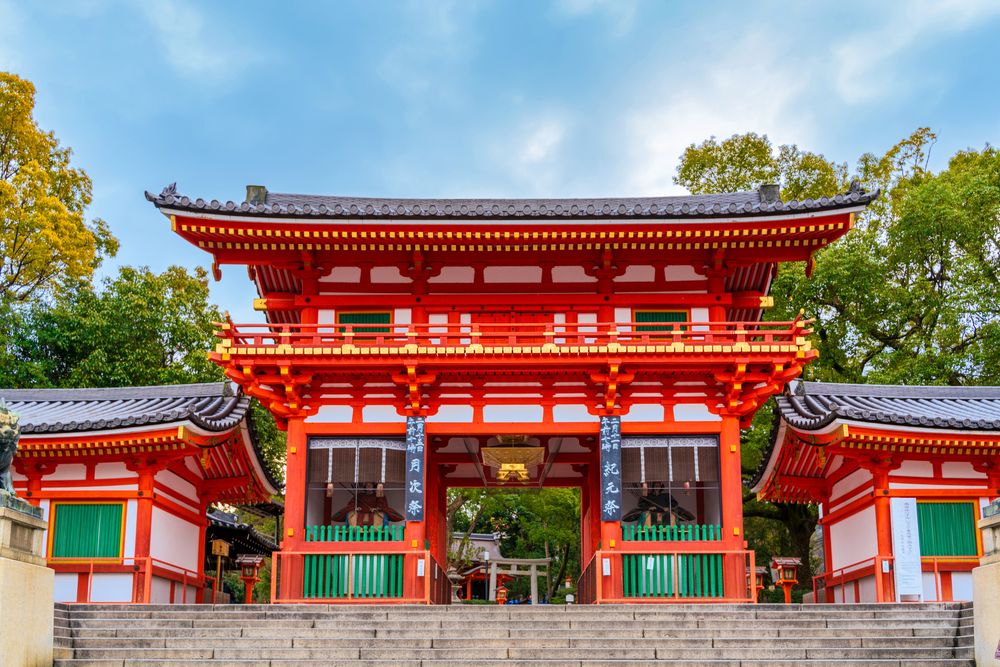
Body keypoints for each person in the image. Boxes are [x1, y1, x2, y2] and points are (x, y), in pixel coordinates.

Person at [331, 483, 403, 526]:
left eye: (370, 485)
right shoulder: (359, 495)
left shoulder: (379, 496)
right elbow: (351, 504)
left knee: (382, 515)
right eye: (367, 485)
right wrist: (356, 508)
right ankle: (349, 527)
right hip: (360, 512)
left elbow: (382, 505)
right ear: (365, 487)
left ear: (373, 487)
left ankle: (382, 527)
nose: (369, 487)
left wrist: (376, 508)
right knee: (349, 514)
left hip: (374, 512)